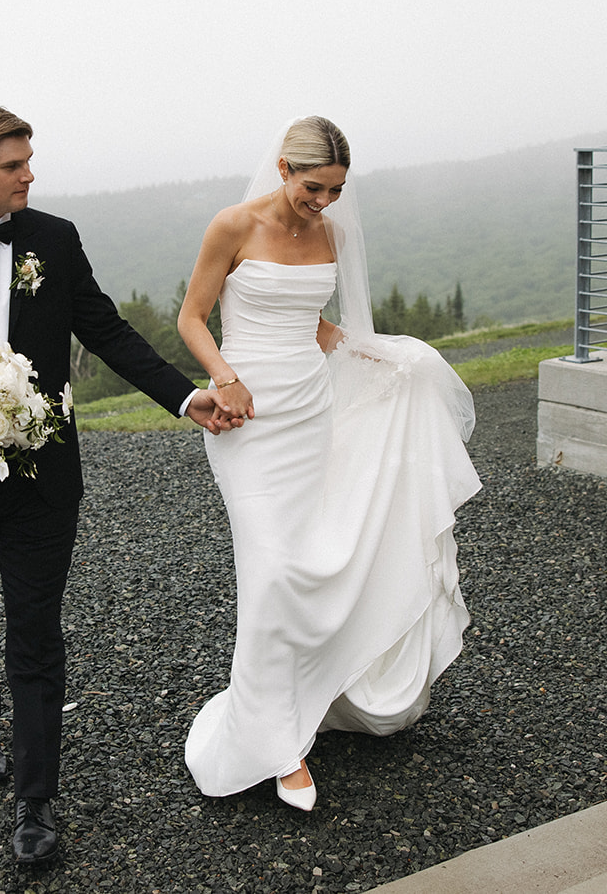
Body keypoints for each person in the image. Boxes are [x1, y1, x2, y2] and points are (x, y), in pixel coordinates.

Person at [0, 104, 239, 865]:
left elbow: (105, 328)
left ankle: (36, 801)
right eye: (13, 165)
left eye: (30, 161)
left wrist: (186, 395)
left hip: (42, 477)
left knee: (35, 626)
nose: (30, 174)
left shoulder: (55, 240)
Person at [176, 116, 480, 810]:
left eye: (338, 189)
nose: (325, 201)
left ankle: (301, 700)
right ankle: (278, 749)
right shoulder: (233, 225)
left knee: (305, 563)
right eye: (314, 187)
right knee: (272, 569)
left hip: (310, 413)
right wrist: (223, 375)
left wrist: (384, 357)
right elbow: (192, 315)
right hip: (246, 420)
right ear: (283, 168)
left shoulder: (332, 234)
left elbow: (313, 320)